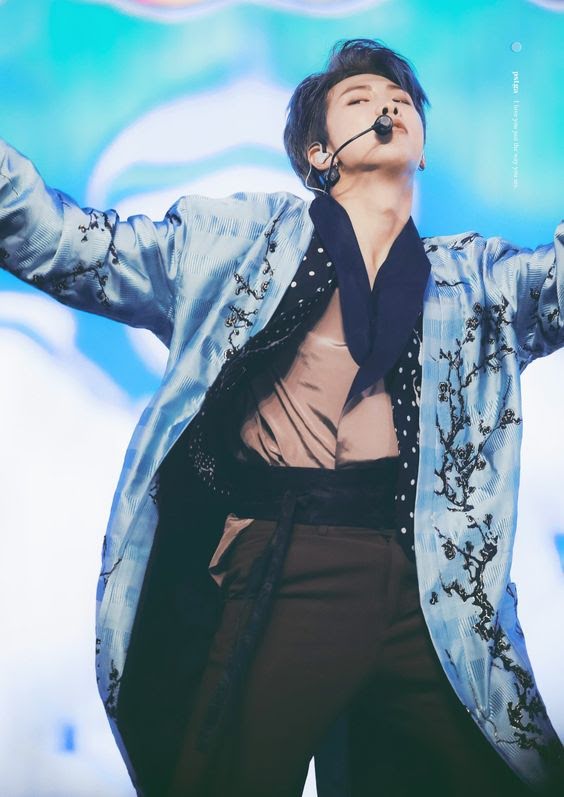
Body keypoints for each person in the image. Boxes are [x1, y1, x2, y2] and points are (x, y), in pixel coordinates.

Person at [1, 37, 563, 797]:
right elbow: (74, 247)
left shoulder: (479, 279)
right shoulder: (238, 245)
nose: (388, 106)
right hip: (288, 555)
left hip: (429, 583)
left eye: (400, 101)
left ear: (422, 148)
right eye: (360, 100)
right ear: (318, 153)